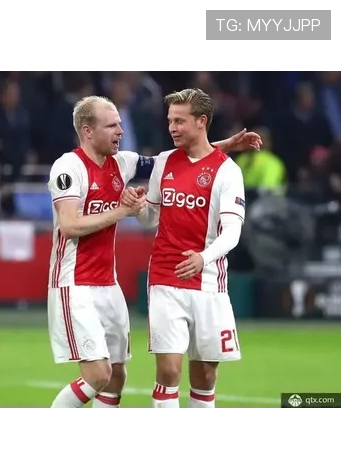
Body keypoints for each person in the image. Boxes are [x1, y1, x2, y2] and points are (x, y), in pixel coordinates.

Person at [47, 95, 260, 408]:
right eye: (111, 126)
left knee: (116, 376)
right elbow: (68, 226)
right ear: (88, 131)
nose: (120, 131)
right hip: (74, 283)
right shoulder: (68, 168)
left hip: (108, 284)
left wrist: (224, 145)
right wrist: (123, 211)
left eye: (120, 124)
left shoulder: (123, 162)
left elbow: (179, 158)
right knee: (98, 375)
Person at [123, 88, 248, 408]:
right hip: (165, 277)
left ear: (201, 122)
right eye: (170, 121)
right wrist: (138, 208)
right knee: (168, 371)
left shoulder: (228, 171)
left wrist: (203, 258)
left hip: (208, 282)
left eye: (179, 121)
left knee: (205, 376)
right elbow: (150, 219)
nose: (172, 128)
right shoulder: (165, 162)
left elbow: (233, 232)